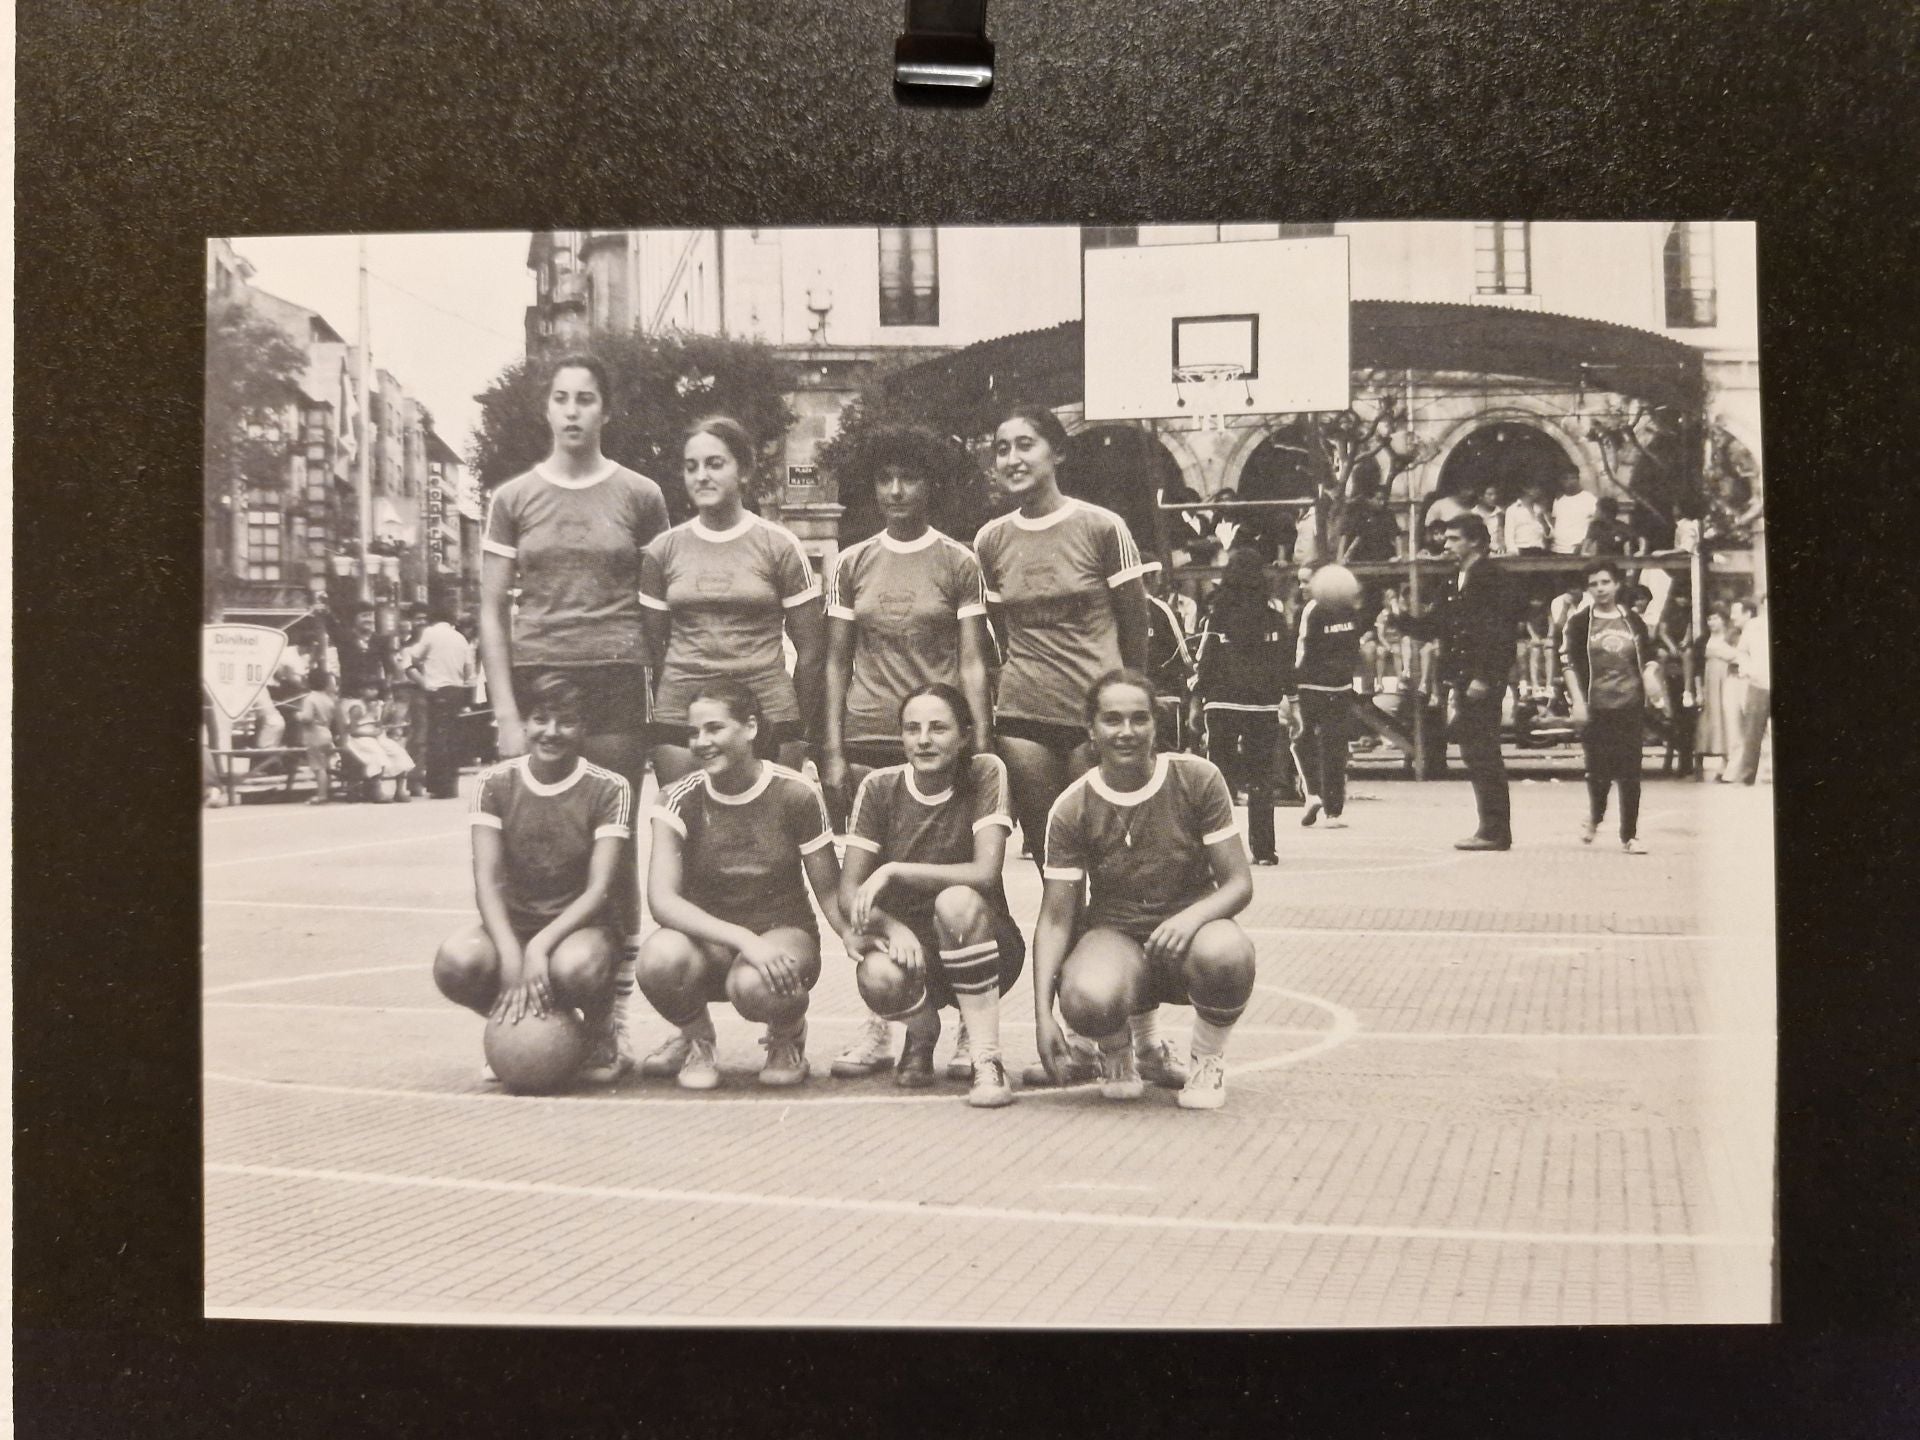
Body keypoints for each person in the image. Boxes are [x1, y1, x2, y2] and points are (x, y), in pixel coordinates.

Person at [478, 352, 671, 1076]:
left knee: (611, 849)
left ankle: (607, 1021)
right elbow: (491, 610)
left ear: (605, 410)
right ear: (546, 409)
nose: (571, 411)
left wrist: (659, 688)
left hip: (618, 678)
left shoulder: (641, 495)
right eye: (560, 398)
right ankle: (527, 1005)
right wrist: (504, 708)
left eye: (586, 398)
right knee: (537, 836)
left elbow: (658, 603)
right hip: (538, 678)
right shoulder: (514, 497)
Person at [819, 423, 995, 1080]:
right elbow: (836, 664)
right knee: (869, 885)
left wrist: (979, 737)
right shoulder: (849, 563)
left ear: (930, 485)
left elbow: (973, 661)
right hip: (870, 738)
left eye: (910, 477)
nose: (897, 490)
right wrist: (832, 748)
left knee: (959, 879)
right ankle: (880, 1020)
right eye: (886, 479)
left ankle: (964, 1029)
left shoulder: (960, 560)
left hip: (940, 741)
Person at [1033, 670, 1257, 1111]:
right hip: (1117, 937)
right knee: (1086, 995)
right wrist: (1043, 1014)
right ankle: (1118, 1052)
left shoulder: (1198, 779)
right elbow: (1056, 919)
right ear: (1091, 729)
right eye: (1112, 720)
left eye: (1139, 719)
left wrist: (1192, 917)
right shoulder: (1072, 806)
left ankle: (1206, 1060)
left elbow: (1239, 883)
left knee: (1229, 953)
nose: (1127, 732)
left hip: (1187, 938)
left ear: (1157, 723)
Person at [635, 681, 849, 1089]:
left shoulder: (796, 793)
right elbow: (662, 901)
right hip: (710, 944)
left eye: (715, 728)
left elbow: (828, 892)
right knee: (657, 957)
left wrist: (860, 942)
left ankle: (787, 1034)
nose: (702, 742)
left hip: (782, 936)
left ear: (750, 728)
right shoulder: (676, 798)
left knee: (752, 984)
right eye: (694, 733)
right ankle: (697, 1039)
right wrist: (742, 939)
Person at [973, 403, 1151, 864]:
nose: (1012, 459)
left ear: (1058, 454)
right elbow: (1000, 634)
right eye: (1002, 449)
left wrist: (1128, 705)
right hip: (1023, 714)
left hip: (1094, 714)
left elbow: (1135, 627)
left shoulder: (1102, 527)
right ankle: (1061, 938)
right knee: (1051, 851)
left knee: (1106, 854)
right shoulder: (990, 540)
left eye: (1025, 445)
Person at [433, 675, 631, 1081]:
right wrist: (510, 953)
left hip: (580, 928)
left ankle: (600, 1028)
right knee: (456, 962)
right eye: (540, 719)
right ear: (524, 723)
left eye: (567, 722)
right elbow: (487, 880)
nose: (551, 732)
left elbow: (599, 888)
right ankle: (521, 1023)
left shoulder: (610, 788)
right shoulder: (494, 782)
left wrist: (540, 945)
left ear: (585, 728)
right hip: (515, 923)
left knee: (576, 967)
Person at [838, 684, 1025, 1106]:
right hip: (914, 948)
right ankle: (921, 1034)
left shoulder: (985, 772)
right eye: (912, 729)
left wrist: (895, 870)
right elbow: (850, 892)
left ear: (964, 736)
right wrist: (889, 926)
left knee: (955, 901)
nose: (923, 740)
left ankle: (985, 1059)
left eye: (938, 728)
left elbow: (984, 873)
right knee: (875, 973)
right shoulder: (879, 785)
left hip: (983, 939)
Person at [641, 416, 825, 792]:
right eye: (691, 467)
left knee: (768, 839)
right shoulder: (664, 550)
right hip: (683, 718)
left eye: (715, 463)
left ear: (744, 471)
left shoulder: (780, 545)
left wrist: (798, 726)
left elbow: (812, 650)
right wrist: (678, 700)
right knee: (688, 834)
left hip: (767, 715)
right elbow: (654, 648)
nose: (701, 476)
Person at [1414, 514, 1522, 849]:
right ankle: (1488, 826)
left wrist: (1485, 677)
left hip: (1481, 679)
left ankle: (1496, 830)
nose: (1445, 545)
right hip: (1461, 676)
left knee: (1483, 751)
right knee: (1474, 751)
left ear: (1476, 541)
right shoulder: (1454, 579)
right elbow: (1438, 625)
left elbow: (1501, 634)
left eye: (1454, 539)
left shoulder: (1493, 578)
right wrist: (1399, 620)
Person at [1562, 561, 1669, 853]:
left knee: (1630, 772)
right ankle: (1596, 816)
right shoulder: (1580, 622)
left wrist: (1650, 674)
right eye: (1594, 584)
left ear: (1617, 584)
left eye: (1605, 582)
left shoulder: (1632, 620)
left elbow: (1649, 655)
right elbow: (1569, 665)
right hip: (1596, 706)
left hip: (1629, 705)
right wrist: (1579, 703)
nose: (1600, 589)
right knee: (1598, 772)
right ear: (1588, 588)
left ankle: (1629, 835)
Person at [1195, 545, 1289, 866]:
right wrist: (1289, 698)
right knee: (1261, 779)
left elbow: (1205, 662)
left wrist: (1198, 701)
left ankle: (1215, 850)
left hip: (1221, 703)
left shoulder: (1217, 616)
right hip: (1262, 706)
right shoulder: (1274, 618)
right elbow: (1284, 662)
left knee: (1218, 779)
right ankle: (1264, 851)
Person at [1291, 564, 1366, 830]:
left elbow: (1301, 649)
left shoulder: (1311, 610)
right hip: (1340, 688)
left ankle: (1313, 793)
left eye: (1307, 581)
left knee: (1302, 741)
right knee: (1334, 749)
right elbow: (1354, 647)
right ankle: (1333, 811)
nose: (1303, 587)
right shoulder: (1350, 609)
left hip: (1313, 686)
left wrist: (1291, 683)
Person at [402, 599, 474, 799]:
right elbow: (470, 672)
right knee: (452, 738)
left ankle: (437, 785)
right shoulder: (460, 638)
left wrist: (423, 679)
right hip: (456, 691)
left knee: (436, 738)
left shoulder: (430, 634)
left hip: (436, 690)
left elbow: (411, 659)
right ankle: (450, 785)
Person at [1722, 593, 1770, 785]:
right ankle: (1747, 775)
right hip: (1758, 682)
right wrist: (1748, 669)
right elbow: (1742, 651)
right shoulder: (1754, 625)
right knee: (1752, 731)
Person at [339, 678, 413, 803]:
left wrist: (380, 722)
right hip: (360, 738)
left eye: (375, 689)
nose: (374, 692)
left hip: (376, 736)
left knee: (398, 752)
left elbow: (379, 724)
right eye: (370, 689)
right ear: (361, 691)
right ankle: (376, 792)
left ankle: (399, 790)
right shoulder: (357, 707)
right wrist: (370, 733)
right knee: (377, 755)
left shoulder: (377, 705)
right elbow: (352, 731)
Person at [288, 672, 341, 804]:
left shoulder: (310, 699)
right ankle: (327, 791)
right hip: (326, 733)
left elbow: (307, 717)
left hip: (314, 735)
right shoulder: (329, 699)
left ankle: (321, 795)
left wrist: (297, 715)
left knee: (319, 768)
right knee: (325, 766)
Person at [1550, 474, 1598, 557]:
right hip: (1557, 550)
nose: (1569, 482)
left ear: (1578, 479)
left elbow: (1597, 523)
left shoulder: (1589, 498)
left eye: (1572, 478)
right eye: (1565, 478)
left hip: (1577, 550)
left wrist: (1584, 543)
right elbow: (1554, 523)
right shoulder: (1558, 500)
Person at [1504, 481, 1552, 556]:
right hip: (1521, 551)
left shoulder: (1540, 508)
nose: (1539, 491)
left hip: (1540, 552)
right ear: (1526, 489)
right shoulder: (1512, 510)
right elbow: (1509, 535)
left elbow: (1551, 535)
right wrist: (1513, 552)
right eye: (1536, 488)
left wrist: (1543, 522)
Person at [1472, 482, 1507, 556]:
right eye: (1489, 494)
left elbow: (1503, 535)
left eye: (1495, 494)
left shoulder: (1501, 513)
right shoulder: (1472, 514)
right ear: (1480, 496)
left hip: (1498, 553)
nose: (1493, 497)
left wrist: (1502, 545)